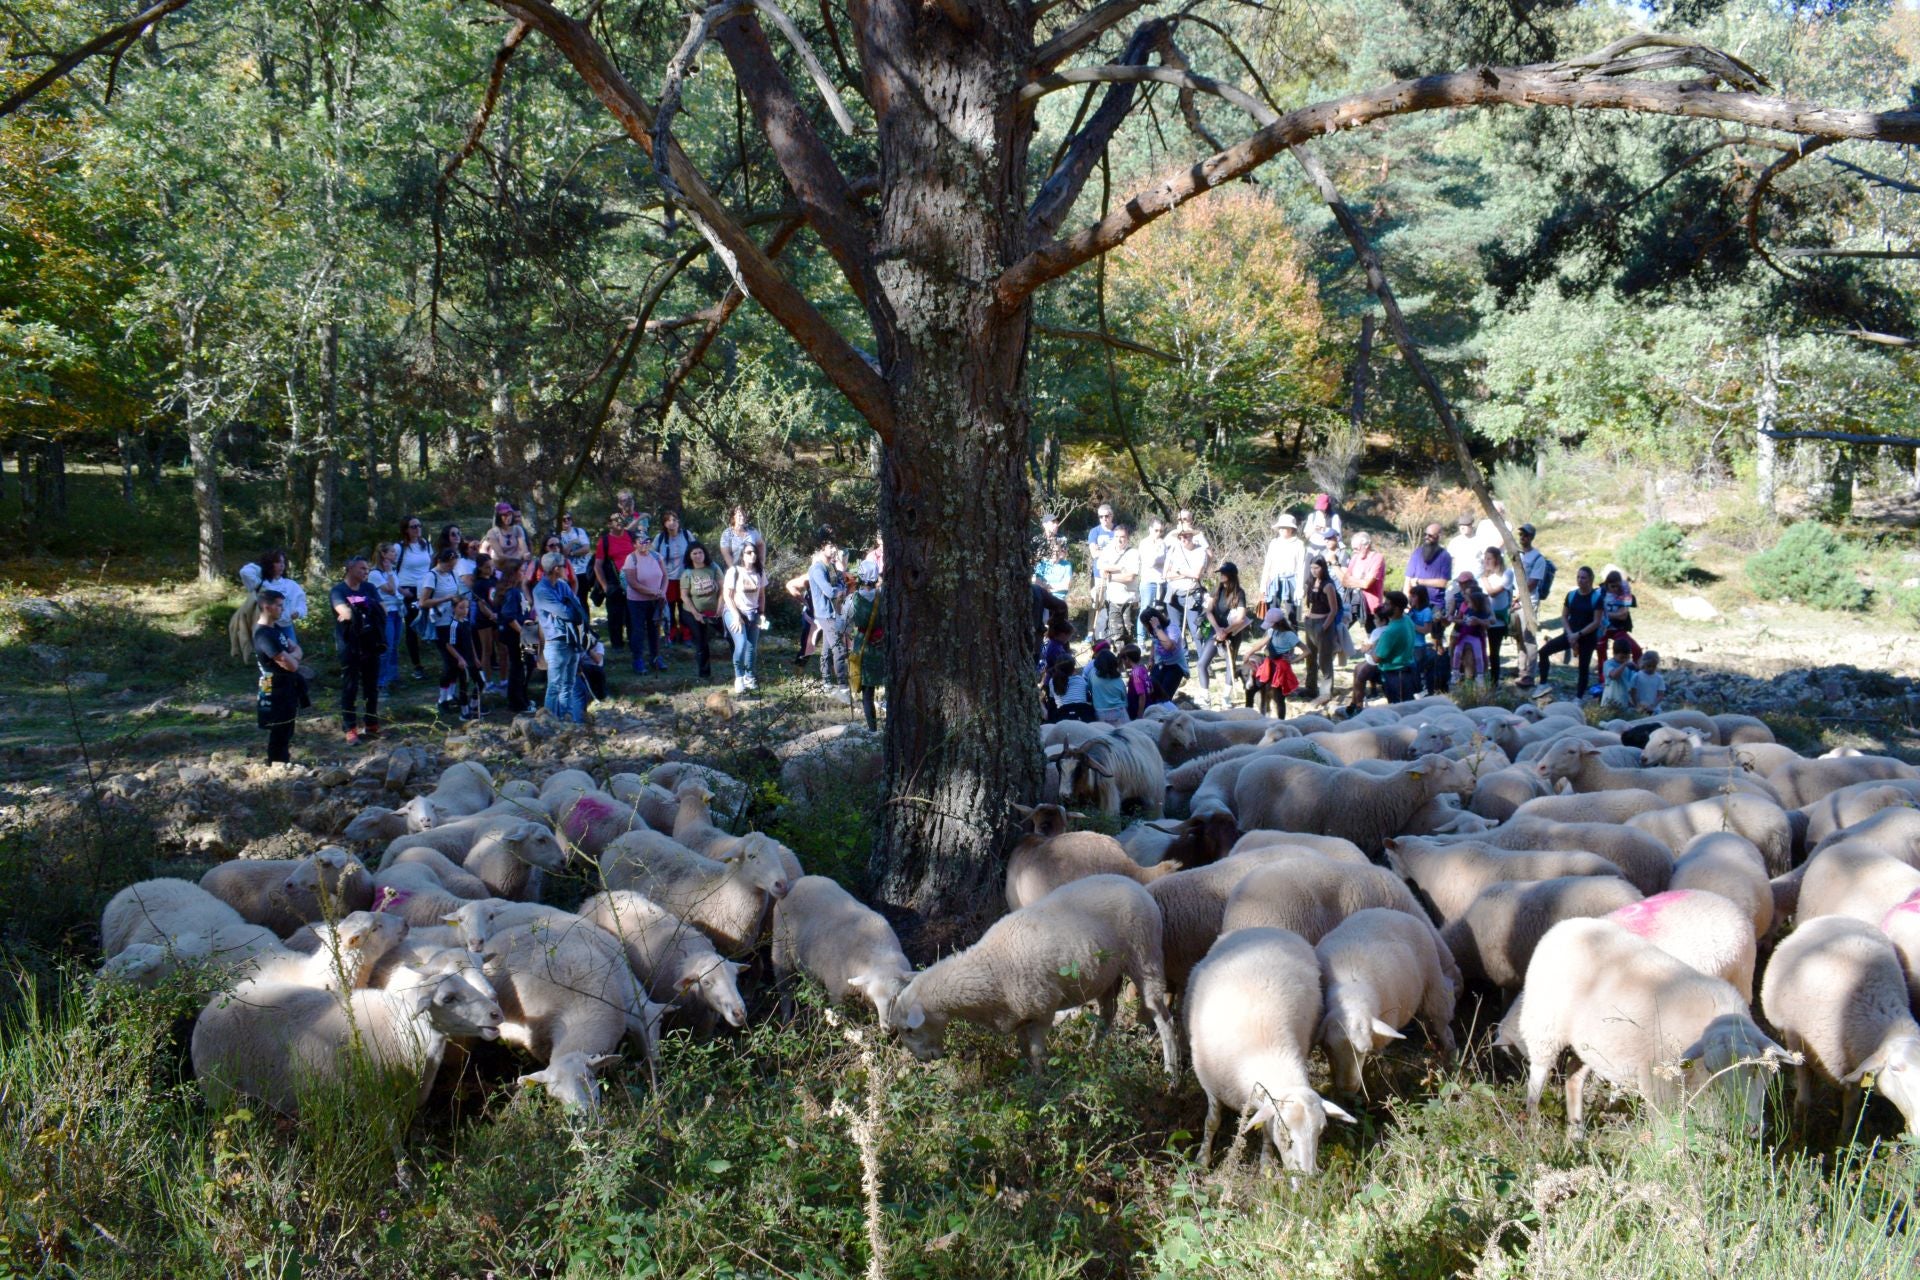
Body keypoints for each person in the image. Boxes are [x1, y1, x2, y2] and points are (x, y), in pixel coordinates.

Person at [330, 555, 386, 744]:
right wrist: (368, 605)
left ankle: (371, 723)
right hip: (350, 644)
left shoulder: (369, 587)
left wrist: (356, 605)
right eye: (362, 568)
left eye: (367, 569)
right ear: (350, 568)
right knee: (350, 687)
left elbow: (383, 609)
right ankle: (350, 727)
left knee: (371, 687)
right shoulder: (338, 590)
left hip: (371, 643)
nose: (365, 572)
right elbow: (344, 612)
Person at [253, 589, 307, 765]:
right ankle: (277, 765)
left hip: (287, 685)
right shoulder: (263, 635)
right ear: (267, 607)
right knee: (279, 729)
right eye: (279, 605)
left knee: (287, 728)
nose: (282, 609)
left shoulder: (275, 629)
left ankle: (282, 763)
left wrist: (294, 657)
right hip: (274, 687)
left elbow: (297, 650)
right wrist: (294, 658)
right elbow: (291, 664)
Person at [534, 552, 589, 723]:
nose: (567, 569)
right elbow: (564, 612)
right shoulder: (541, 590)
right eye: (564, 566)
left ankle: (566, 720)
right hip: (556, 643)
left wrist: (572, 609)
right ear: (556, 569)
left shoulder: (563, 585)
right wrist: (571, 609)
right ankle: (549, 723)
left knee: (569, 685)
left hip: (572, 640)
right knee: (554, 687)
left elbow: (577, 605)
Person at [1538, 566, 1606, 696]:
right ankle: (1542, 684)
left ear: (1590, 579)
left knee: (1583, 667)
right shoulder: (1571, 595)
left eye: (1583, 577)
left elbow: (1596, 622)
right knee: (1543, 652)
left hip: (1587, 637)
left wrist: (1578, 634)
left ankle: (1579, 697)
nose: (1580, 580)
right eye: (1578, 577)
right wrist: (1570, 634)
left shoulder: (1597, 598)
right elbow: (1564, 616)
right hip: (1570, 634)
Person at [1195, 562, 1251, 711]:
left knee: (1230, 664)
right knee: (1201, 664)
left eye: (1223, 573)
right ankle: (1205, 696)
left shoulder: (1240, 593)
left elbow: (1240, 618)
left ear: (1231, 576)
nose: (1220, 576)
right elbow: (1208, 611)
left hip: (1232, 633)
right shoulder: (1217, 590)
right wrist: (1217, 629)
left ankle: (1226, 697)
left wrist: (1225, 631)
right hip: (1216, 631)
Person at [417, 546, 464, 709]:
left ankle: (451, 695)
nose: (452, 568)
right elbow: (423, 602)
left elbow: (457, 592)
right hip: (439, 624)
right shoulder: (432, 576)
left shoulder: (452, 574)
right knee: (450, 661)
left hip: (454, 621)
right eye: (449, 565)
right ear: (440, 562)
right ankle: (442, 699)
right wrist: (446, 598)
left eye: (454, 565)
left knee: (458, 662)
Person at [722, 540, 768, 694]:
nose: (753, 555)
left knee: (751, 648)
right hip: (733, 611)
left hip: (753, 613)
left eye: (754, 552)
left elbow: (761, 596)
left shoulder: (759, 572)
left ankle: (749, 677)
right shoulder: (733, 571)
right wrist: (736, 616)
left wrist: (761, 614)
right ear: (742, 555)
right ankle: (739, 677)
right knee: (741, 644)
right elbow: (727, 596)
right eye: (749, 552)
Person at [807, 530, 849, 695]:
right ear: (822, 547)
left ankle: (826, 682)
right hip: (825, 614)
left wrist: (839, 587)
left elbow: (842, 587)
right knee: (839, 649)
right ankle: (843, 686)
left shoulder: (830, 567)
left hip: (834, 613)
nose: (834, 551)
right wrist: (839, 590)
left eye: (835, 547)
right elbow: (830, 592)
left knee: (826, 649)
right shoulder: (817, 569)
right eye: (831, 547)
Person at [394, 517, 435, 679]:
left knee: (434, 623)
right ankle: (417, 665)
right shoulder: (399, 548)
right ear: (406, 529)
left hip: (426, 588)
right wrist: (401, 590)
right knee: (412, 627)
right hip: (409, 590)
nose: (417, 529)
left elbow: (431, 565)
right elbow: (388, 571)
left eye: (419, 525)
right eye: (413, 527)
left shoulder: (425, 544)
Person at [622, 533, 669, 673]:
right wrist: (653, 592)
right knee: (638, 630)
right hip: (637, 601)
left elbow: (665, 576)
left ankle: (656, 657)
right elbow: (633, 583)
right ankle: (638, 660)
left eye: (647, 541)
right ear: (634, 544)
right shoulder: (631, 559)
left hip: (655, 600)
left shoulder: (656, 556)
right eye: (640, 541)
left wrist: (662, 592)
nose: (644, 544)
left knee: (655, 629)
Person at [497, 558, 538, 714]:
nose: (524, 573)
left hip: (528, 630)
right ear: (513, 573)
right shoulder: (512, 592)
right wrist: (523, 633)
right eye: (521, 570)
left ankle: (523, 698)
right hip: (519, 635)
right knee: (520, 668)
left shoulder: (518, 590)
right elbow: (509, 616)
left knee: (528, 665)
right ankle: (518, 703)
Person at [1162, 522, 1209, 656]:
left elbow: (1197, 574)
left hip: (1191, 593)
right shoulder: (1173, 551)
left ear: (1191, 536)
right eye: (1180, 537)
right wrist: (1185, 573)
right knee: (1176, 629)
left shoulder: (1200, 551)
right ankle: (1184, 659)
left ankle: (1204, 660)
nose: (1183, 539)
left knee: (1196, 629)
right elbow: (1166, 574)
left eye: (1186, 536)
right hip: (1173, 594)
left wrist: (1177, 570)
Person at [1298, 556, 1341, 705]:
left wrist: (1324, 627)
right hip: (1310, 622)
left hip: (1323, 623)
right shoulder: (1311, 582)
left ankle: (1325, 692)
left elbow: (1334, 610)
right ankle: (1310, 688)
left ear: (1323, 568)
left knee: (1324, 660)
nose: (1314, 571)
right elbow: (1307, 602)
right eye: (1312, 568)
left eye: (1317, 568)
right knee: (1310, 657)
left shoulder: (1328, 585)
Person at [847, 575, 887, 731]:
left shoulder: (853, 598)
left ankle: (872, 730)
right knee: (890, 685)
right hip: (883, 643)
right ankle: (892, 727)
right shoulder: (884, 595)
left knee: (867, 693)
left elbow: (843, 625)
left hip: (862, 645)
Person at [680, 543, 724, 681]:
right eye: (694, 553)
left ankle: (742, 668)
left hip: (716, 611)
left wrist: (720, 608)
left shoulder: (714, 567)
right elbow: (684, 596)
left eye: (700, 552)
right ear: (689, 556)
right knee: (701, 642)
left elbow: (723, 589)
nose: (698, 556)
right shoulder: (687, 573)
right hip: (693, 613)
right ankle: (704, 674)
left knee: (731, 636)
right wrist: (696, 613)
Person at [1244, 608, 1300, 716]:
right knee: (1251, 689)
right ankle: (1248, 716)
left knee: (1279, 698)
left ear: (1278, 623)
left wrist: (1293, 659)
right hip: (1268, 665)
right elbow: (1260, 644)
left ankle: (1280, 722)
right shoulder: (1271, 631)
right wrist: (1249, 653)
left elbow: (1306, 650)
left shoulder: (1290, 635)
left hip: (1280, 669)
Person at [594, 511, 636, 652]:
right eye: (615, 519)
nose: (619, 521)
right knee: (615, 616)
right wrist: (605, 586)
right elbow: (598, 565)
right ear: (609, 524)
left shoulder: (631, 536)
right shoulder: (604, 541)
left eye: (621, 518)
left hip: (633, 582)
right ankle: (617, 645)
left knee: (633, 614)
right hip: (613, 583)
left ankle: (634, 643)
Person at [1369, 590, 1420, 705]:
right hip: (1407, 669)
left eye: (1387, 604)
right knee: (1407, 705)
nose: (1384, 606)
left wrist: (1371, 648)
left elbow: (1376, 658)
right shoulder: (1406, 619)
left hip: (1396, 675)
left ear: (1396, 609)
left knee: (1400, 708)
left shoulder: (1391, 631)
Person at [654, 510, 696, 645]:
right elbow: (652, 556)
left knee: (686, 608)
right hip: (667, 580)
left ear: (678, 522)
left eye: (674, 520)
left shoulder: (686, 535)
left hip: (685, 578)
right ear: (664, 524)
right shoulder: (660, 538)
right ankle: (670, 635)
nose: (672, 523)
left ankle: (687, 636)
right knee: (669, 609)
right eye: (668, 520)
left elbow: (696, 550)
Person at [243, 550, 309, 633]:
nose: (282, 565)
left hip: (286, 627)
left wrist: (298, 612)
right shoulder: (260, 584)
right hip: (264, 628)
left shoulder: (291, 585)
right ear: (269, 564)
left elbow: (301, 603)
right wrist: (262, 568)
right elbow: (245, 572)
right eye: (278, 562)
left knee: (292, 646)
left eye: (283, 562)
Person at [440, 595, 484, 721]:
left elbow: (470, 641)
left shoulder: (466, 622)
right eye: (461, 608)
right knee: (464, 685)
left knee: (481, 683)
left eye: (467, 608)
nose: (465, 611)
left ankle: (473, 706)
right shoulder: (453, 625)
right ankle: (464, 712)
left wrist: (475, 658)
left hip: (471, 659)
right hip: (462, 662)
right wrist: (460, 659)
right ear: (454, 608)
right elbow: (449, 645)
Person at [1259, 513, 1307, 626]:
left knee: (1292, 613)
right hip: (1275, 580)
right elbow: (1268, 565)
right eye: (1280, 527)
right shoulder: (1274, 543)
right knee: (1272, 611)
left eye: (1284, 527)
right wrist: (1263, 585)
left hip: (1292, 581)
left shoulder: (1299, 544)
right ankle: (1271, 638)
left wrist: (1300, 588)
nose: (1281, 530)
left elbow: (1301, 567)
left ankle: (1292, 638)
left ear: (1291, 529)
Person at [1098, 525, 1141, 645]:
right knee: (1116, 634)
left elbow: (1130, 576)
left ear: (1127, 538)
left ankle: (1129, 660)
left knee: (1128, 633)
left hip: (1129, 600)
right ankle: (1119, 660)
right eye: (1117, 536)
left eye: (1122, 537)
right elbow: (1101, 567)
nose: (1119, 539)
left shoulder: (1133, 553)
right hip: (1113, 599)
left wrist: (1111, 576)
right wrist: (1120, 568)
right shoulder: (1107, 551)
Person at [370, 542, 403, 691]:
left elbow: (398, 588)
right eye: (392, 552)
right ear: (383, 555)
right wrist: (389, 572)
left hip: (397, 611)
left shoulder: (392, 571)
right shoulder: (375, 574)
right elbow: (390, 590)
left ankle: (392, 677)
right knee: (386, 646)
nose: (395, 555)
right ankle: (380, 682)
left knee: (395, 646)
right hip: (385, 613)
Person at [1340, 531, 1386, 634]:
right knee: (1340, 632)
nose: (1354, 551)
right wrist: (1361, 580)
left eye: (1357, 548)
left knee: (1374, 637)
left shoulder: (1377, 558)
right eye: (1353, 548)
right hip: (1354, 602)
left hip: (1371, 606)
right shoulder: (1355, 557)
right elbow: (1345, 581)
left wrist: (1354, 580)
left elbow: (1367, 584)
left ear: (1367, 545)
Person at [1480, 546, 1513, 686]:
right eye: (1485, 558)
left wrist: (1484, 579)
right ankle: (1480, 677)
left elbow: (1493, 593)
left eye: (1489, 558)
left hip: (1498, 620)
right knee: (1480, 649)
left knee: (1494, 651)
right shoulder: (1486, 576)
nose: (1486, 561)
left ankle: (1494, 682)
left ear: (1497, 559)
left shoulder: (1507, 574)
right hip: (1483, 618)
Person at [469, 552, 502, 692]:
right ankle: (486, 682)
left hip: (497, 617)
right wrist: (491, 615)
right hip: (484, 620)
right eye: (487, 567)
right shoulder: (478, 584)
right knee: (487, 650)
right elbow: (482, 604)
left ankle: (503, 680)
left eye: (492, 566)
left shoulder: (494, 580)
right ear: (480, 568)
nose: (491, 569)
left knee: (502, 648)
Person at [1085, 503, 1117, 643]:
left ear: (1112, 515)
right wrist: (1111, 551)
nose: (1104, 518)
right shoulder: (1094, 532)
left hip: (1115, 575)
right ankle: (1091, 632)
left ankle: (1111, 631)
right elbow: (1094, 553)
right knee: (1096, 604)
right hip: (1098, 575)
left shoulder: (1118, 530)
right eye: (1101, 516)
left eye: (1107, 515)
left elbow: (1121, 553)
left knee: (1113, 603)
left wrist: (1103, 552)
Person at [1450, 581, 1492, 689]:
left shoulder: (1483, 611)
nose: (1466, 601)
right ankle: (1455, 672)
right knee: (1457, 652)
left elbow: (1489, 622)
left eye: (1469, 600)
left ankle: (1480, 675)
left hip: (1476, 636)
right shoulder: (1467, 609)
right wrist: (1452, 619)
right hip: (1464, 634)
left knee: (1478, 656)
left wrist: (1478, 621)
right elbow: (1462, 620)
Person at [1141, 606, 1186, 705]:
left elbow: (1169, 646)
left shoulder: (1172, 628)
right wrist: (1151, 659)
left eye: (1145, 625)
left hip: (1175, 666)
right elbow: (1154, 642)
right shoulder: (1154, 630)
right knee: (1151, 691)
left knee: (1164, 697)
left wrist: (1157, 628)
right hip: (1160, 664)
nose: (1145, 628)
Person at [1135, 517, 1167, 646]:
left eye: (1161, 531)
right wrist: (1160, 554)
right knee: (1145, 610)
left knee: (1159, 611)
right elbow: (1151, 561)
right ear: (1150, 529)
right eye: (1156, 530)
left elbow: (1167, 561)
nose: (1158, 533)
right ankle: (1141, 640)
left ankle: (1157, 639)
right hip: (1148, 581)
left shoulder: (1163, 543)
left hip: (1162, 581)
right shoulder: (1144, 543)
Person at [1600, 570, 1643, 662]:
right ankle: (1603, 674)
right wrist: (1615, 614)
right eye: (1613, 586)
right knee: (1601, 652)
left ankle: (1635, 672)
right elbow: (1597, 614)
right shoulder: (1599, 593)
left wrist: (1605, 615)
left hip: (1617, 629)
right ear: (1607, 584)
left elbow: (1623, 615)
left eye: (1618, 587)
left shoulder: (1625, 594)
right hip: (1601, 629)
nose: (1615, 589)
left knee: (1636, 650)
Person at [1405, 523, 1452, 598]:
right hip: (1416, 601)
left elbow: (1443, 582)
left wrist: (1419, 581)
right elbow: (1408, 578)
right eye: (1425, 534)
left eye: (1430, 535)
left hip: (1435, 603)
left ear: (1438, 536)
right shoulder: (1417, 553)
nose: (1426, 537)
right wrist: (1407, 599)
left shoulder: (1445, 556)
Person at [1042, 657, 1096, 724]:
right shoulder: (1080, 679)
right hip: (1083, 715)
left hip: (1062, 716)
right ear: (1073, 669)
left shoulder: (1052, 682)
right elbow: (1087, 693)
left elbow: (1052, 699)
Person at [1088, 646, 1129, 724]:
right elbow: (1124, 697)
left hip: (1100, 712)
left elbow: (1090, 689)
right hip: (1119, 710)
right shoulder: (1118, 679)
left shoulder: (1092, 675)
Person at [718, 505, 767, 571]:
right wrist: (734, 570)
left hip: (753, 571)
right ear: (733, 517)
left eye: (744, 514)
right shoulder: (727, 534)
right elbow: (726, 554)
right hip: (735, 571)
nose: (743, 517)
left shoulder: (752, 531)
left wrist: (761, 563)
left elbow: (761, 545)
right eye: (740, 515)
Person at [1600, 638, 1636, 709]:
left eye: (1627, 657)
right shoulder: (1608, 663)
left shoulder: (1628, 666)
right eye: (1622, 657)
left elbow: (1631, 683)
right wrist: (1624, 664)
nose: (1624, 660)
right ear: (1614, 654)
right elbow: (1613, 676)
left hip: (1623, 699)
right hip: (1610, 699)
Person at [557, 511, 594, 581]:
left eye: (568, 518)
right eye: (564, 519)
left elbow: (586, 548)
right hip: (571, 572)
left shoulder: (579, 531)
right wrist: (572, 542)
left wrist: (572, 553)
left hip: (585, 569)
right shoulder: (559, 537)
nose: (566, 521)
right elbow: (564, 554)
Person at [1121, 644, 1151, 720]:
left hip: (1137, 708)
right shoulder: (1143, 668)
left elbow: (1142, 695)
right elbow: (1150, 688)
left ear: (1127, 659)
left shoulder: (1135, 674)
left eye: (1123, 660)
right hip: (1148, 704)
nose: (1123, 662)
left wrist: (1139, 715)